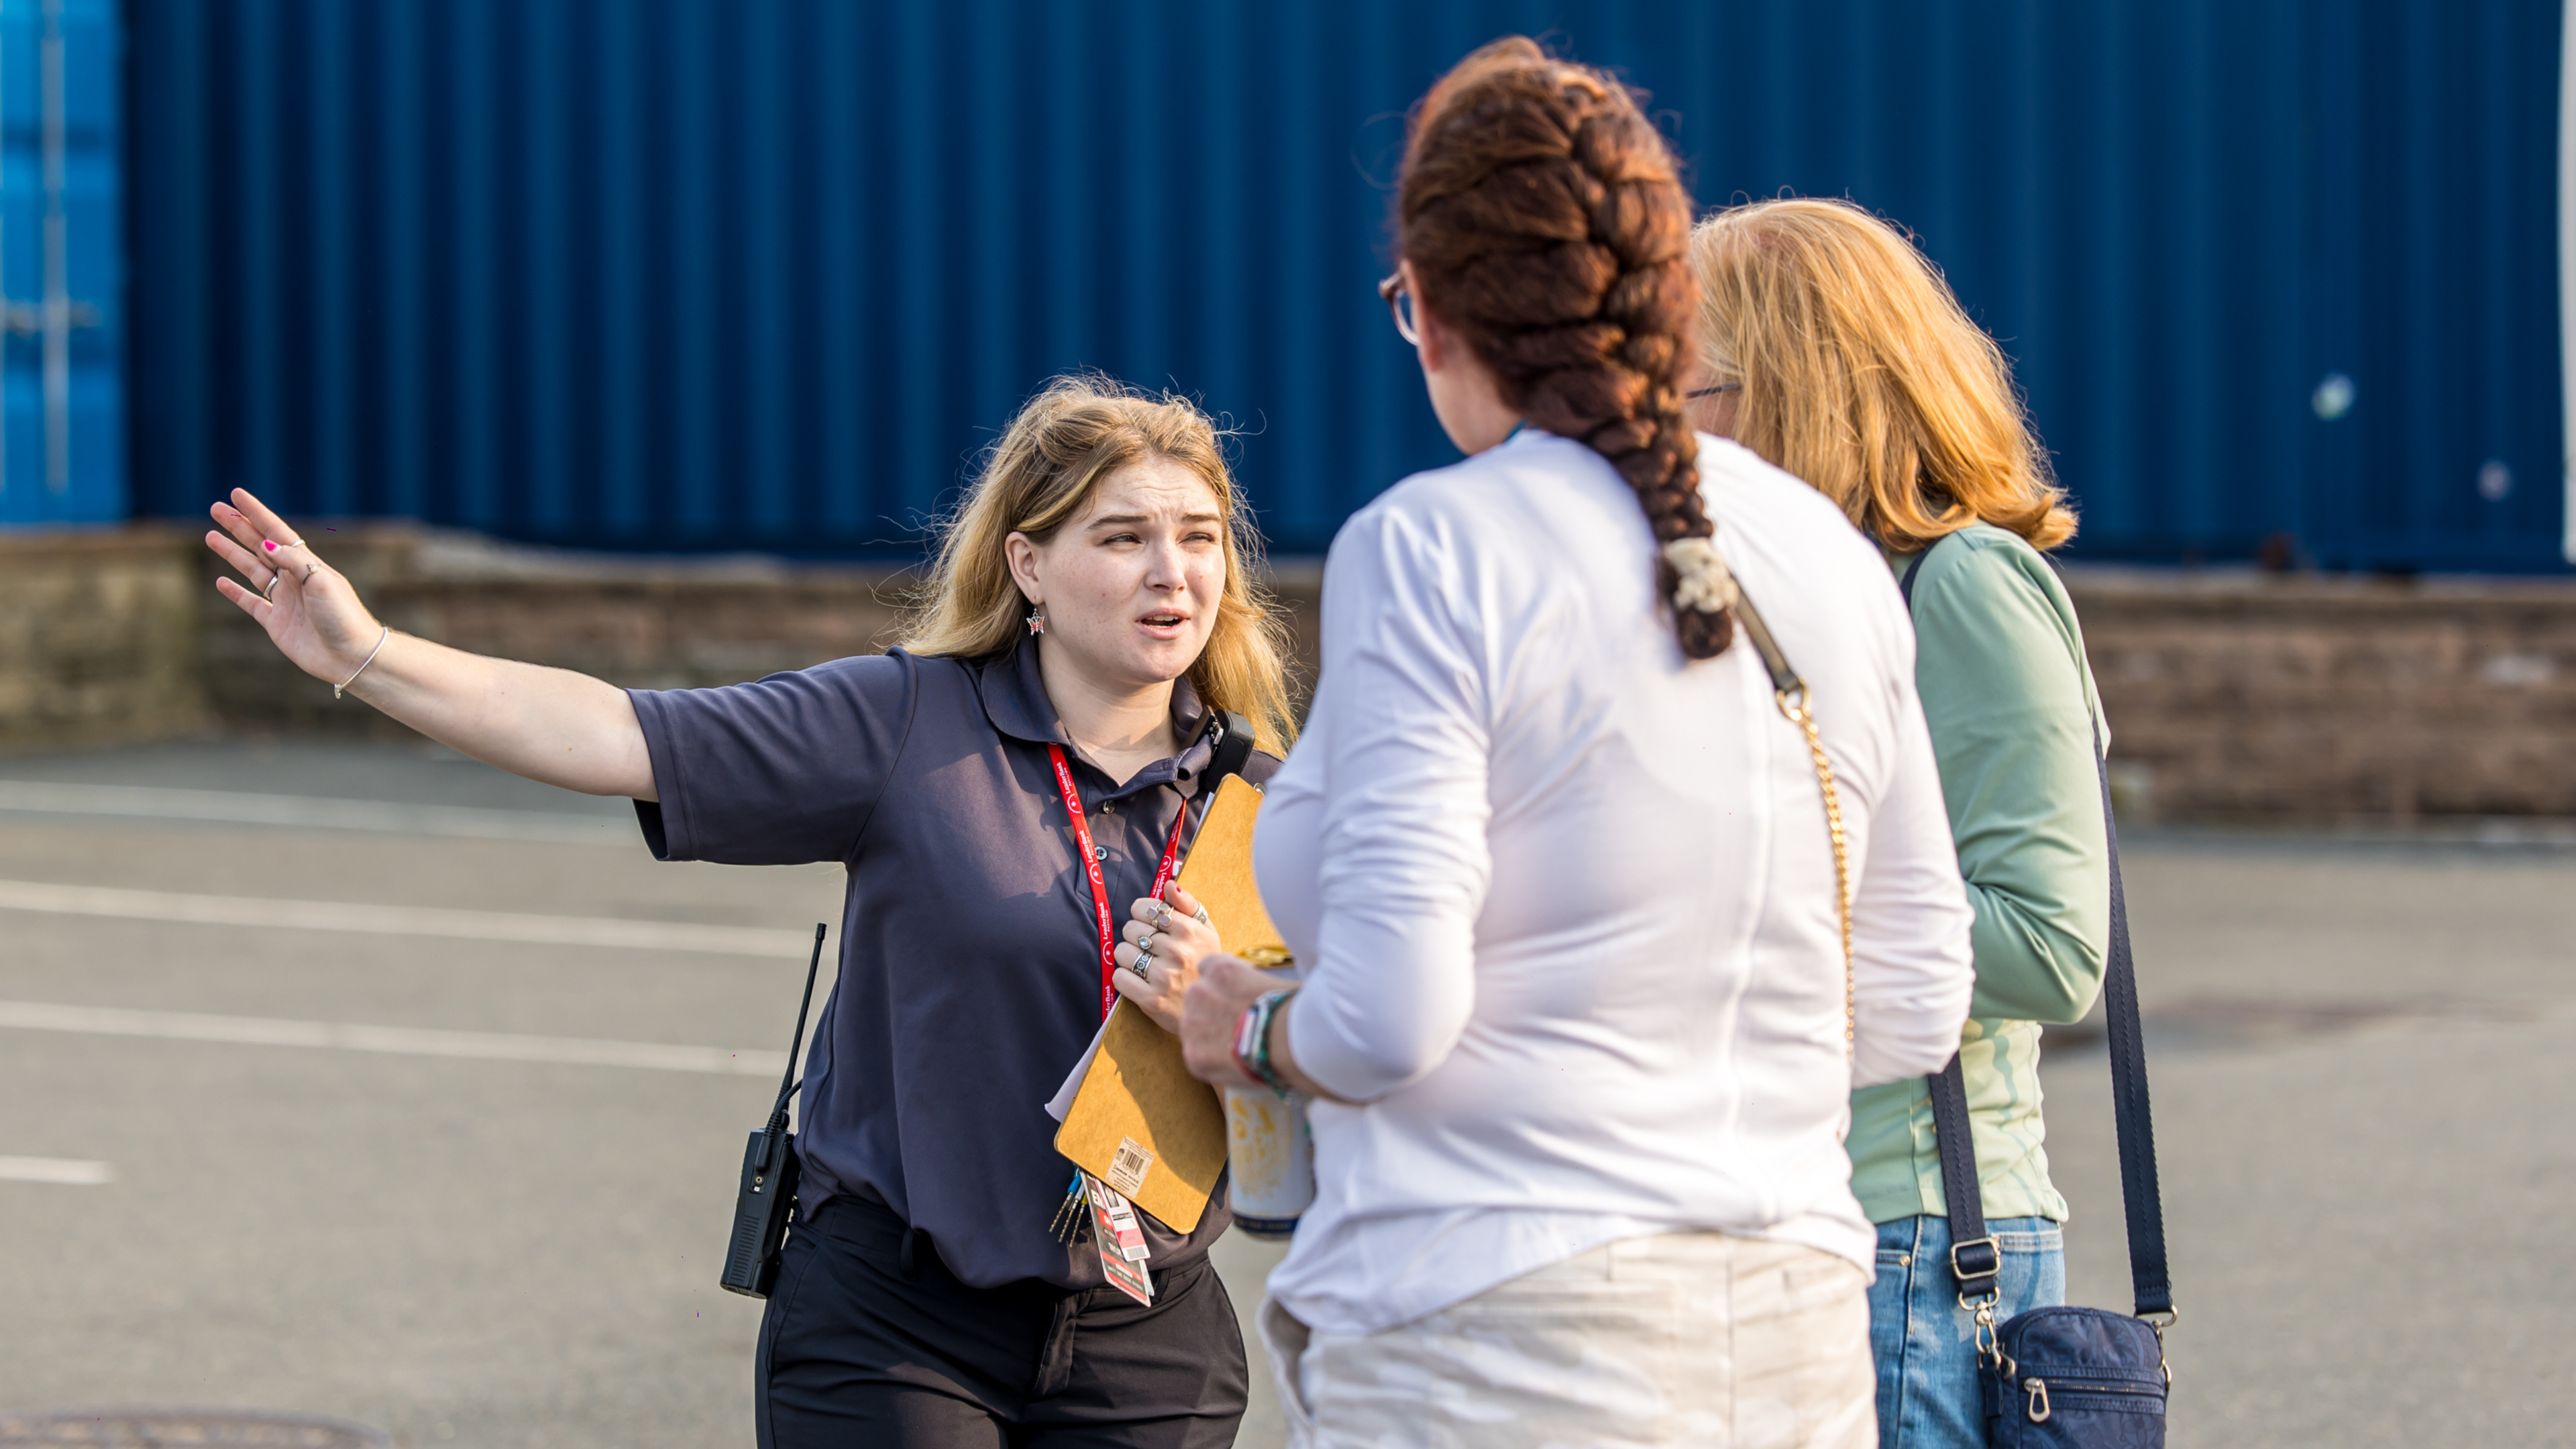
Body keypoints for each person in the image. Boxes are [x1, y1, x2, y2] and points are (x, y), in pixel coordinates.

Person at [201, 374, 1296, 1449]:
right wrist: (369, 656)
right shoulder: (908, 719)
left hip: (1151, 1337)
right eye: (1123, 538)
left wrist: (1234, 1017)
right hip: (901, 1328)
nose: (1173, 572)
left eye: (1200, 538)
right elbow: (618, 734)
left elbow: (1358, 1061)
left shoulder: (1271, 799)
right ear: (1029, 565)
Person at [1175, 39, 1976, 1449]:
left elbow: (1384, 1022)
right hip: (1792, 1320)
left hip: (1491, 1326)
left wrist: (1240, 1023)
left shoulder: (1434, 545)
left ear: (1433, 307)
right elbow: (1915, 997)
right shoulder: (1833, 559)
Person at [1686, 197, 2115, 1449]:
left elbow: (2050, 947)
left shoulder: (1965, 583)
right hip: (1782, 1210)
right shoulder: (1802, 596)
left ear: (1792, 389)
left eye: (1690, 385)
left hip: (1914, 1240)